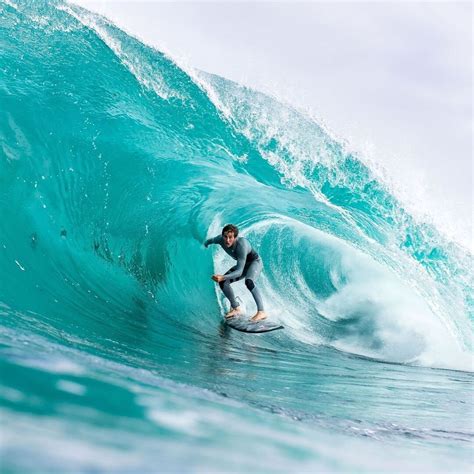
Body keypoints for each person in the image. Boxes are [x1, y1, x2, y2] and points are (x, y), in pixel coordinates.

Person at [204, 224, 267, 322]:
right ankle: (236, 308)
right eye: (225, 236)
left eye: (230, 237)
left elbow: (239, 271)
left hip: (255, 262)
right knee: (223, 283)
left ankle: (261, 312)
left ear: (235, 237)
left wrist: (222, 276)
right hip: (243, 265)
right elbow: (210, 241)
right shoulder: (220, 239)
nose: (227, 240)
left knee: (249, 281)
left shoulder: (242, 245)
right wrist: (205, 244)